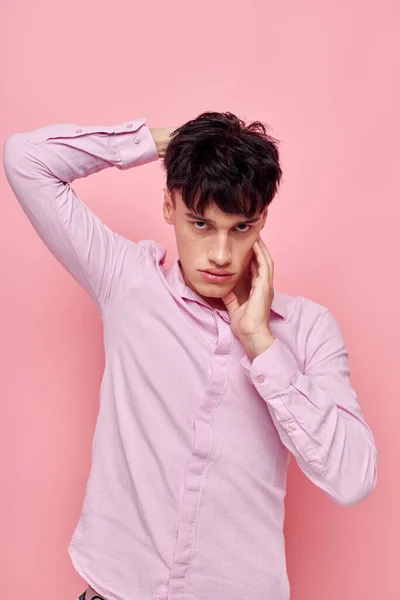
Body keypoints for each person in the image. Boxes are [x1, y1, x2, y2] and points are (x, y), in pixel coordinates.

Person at [3, 112, 378, 600]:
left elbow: (353, 479)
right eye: (201, 224)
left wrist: (262, 346)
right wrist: (163, 142)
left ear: (262, 219)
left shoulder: (307, 331)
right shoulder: (127, 281)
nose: (220, 254)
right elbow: (26, 158)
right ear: (169, 204)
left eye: (241, 228)